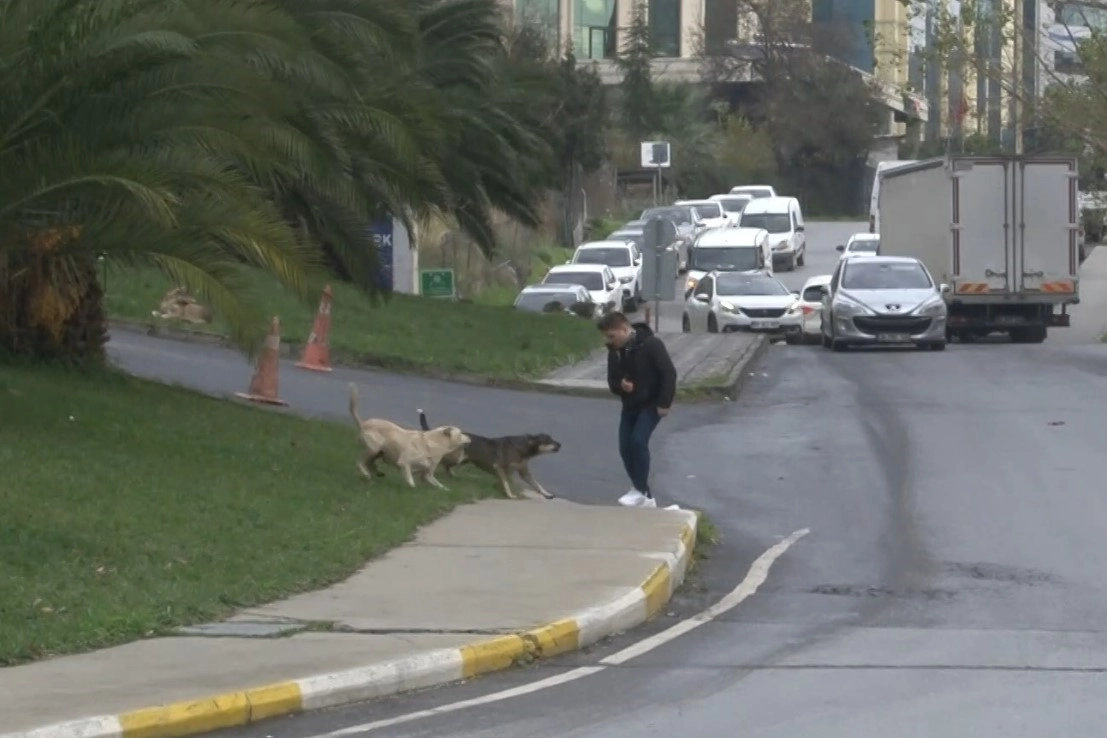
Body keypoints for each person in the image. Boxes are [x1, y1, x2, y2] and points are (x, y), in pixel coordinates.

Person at [597, 311, 677, 508]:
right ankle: (646, 498)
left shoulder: (651, 345)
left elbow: (669, 373)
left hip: (652, 403)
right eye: (607, 337)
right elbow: (612, 381)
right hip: (630, 404)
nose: (609, 341)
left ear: (624, 329)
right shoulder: (614, 352)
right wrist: (620, 385)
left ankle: (639, 490)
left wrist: (664, 403)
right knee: (625, 447)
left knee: (638, 441)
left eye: (611, 336)